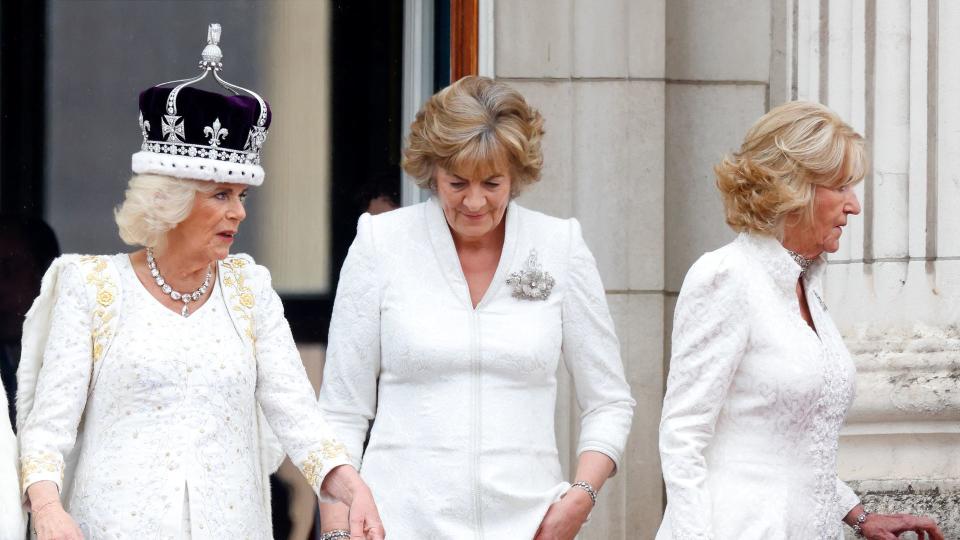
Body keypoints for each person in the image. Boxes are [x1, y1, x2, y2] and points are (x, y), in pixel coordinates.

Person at [16, 25, 384, 540]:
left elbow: (300, 417)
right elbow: (48, 430)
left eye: (242, 197)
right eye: (221, 196)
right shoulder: (92, 287)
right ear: (168, 201)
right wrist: (49, 510)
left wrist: (350, 486)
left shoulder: (249, 290)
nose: (238, 212)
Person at [317, 75, 635, 539]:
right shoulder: (380, 244)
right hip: (399, 522)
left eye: (492, 183)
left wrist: (580, 498)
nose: (474, 201)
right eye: (457, 182)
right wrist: (336, 531)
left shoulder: (559, 245)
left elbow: (609, 400)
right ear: (431, 172)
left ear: (516, 175)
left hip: (530, 525)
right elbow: (341, 409)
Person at [656, 101, 944, 540]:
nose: (854, 206)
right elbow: (683, 435)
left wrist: (859, 516)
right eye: (842, 187)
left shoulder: (805, 288)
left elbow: (797, 443)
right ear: (796, 188)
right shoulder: (727, 276)